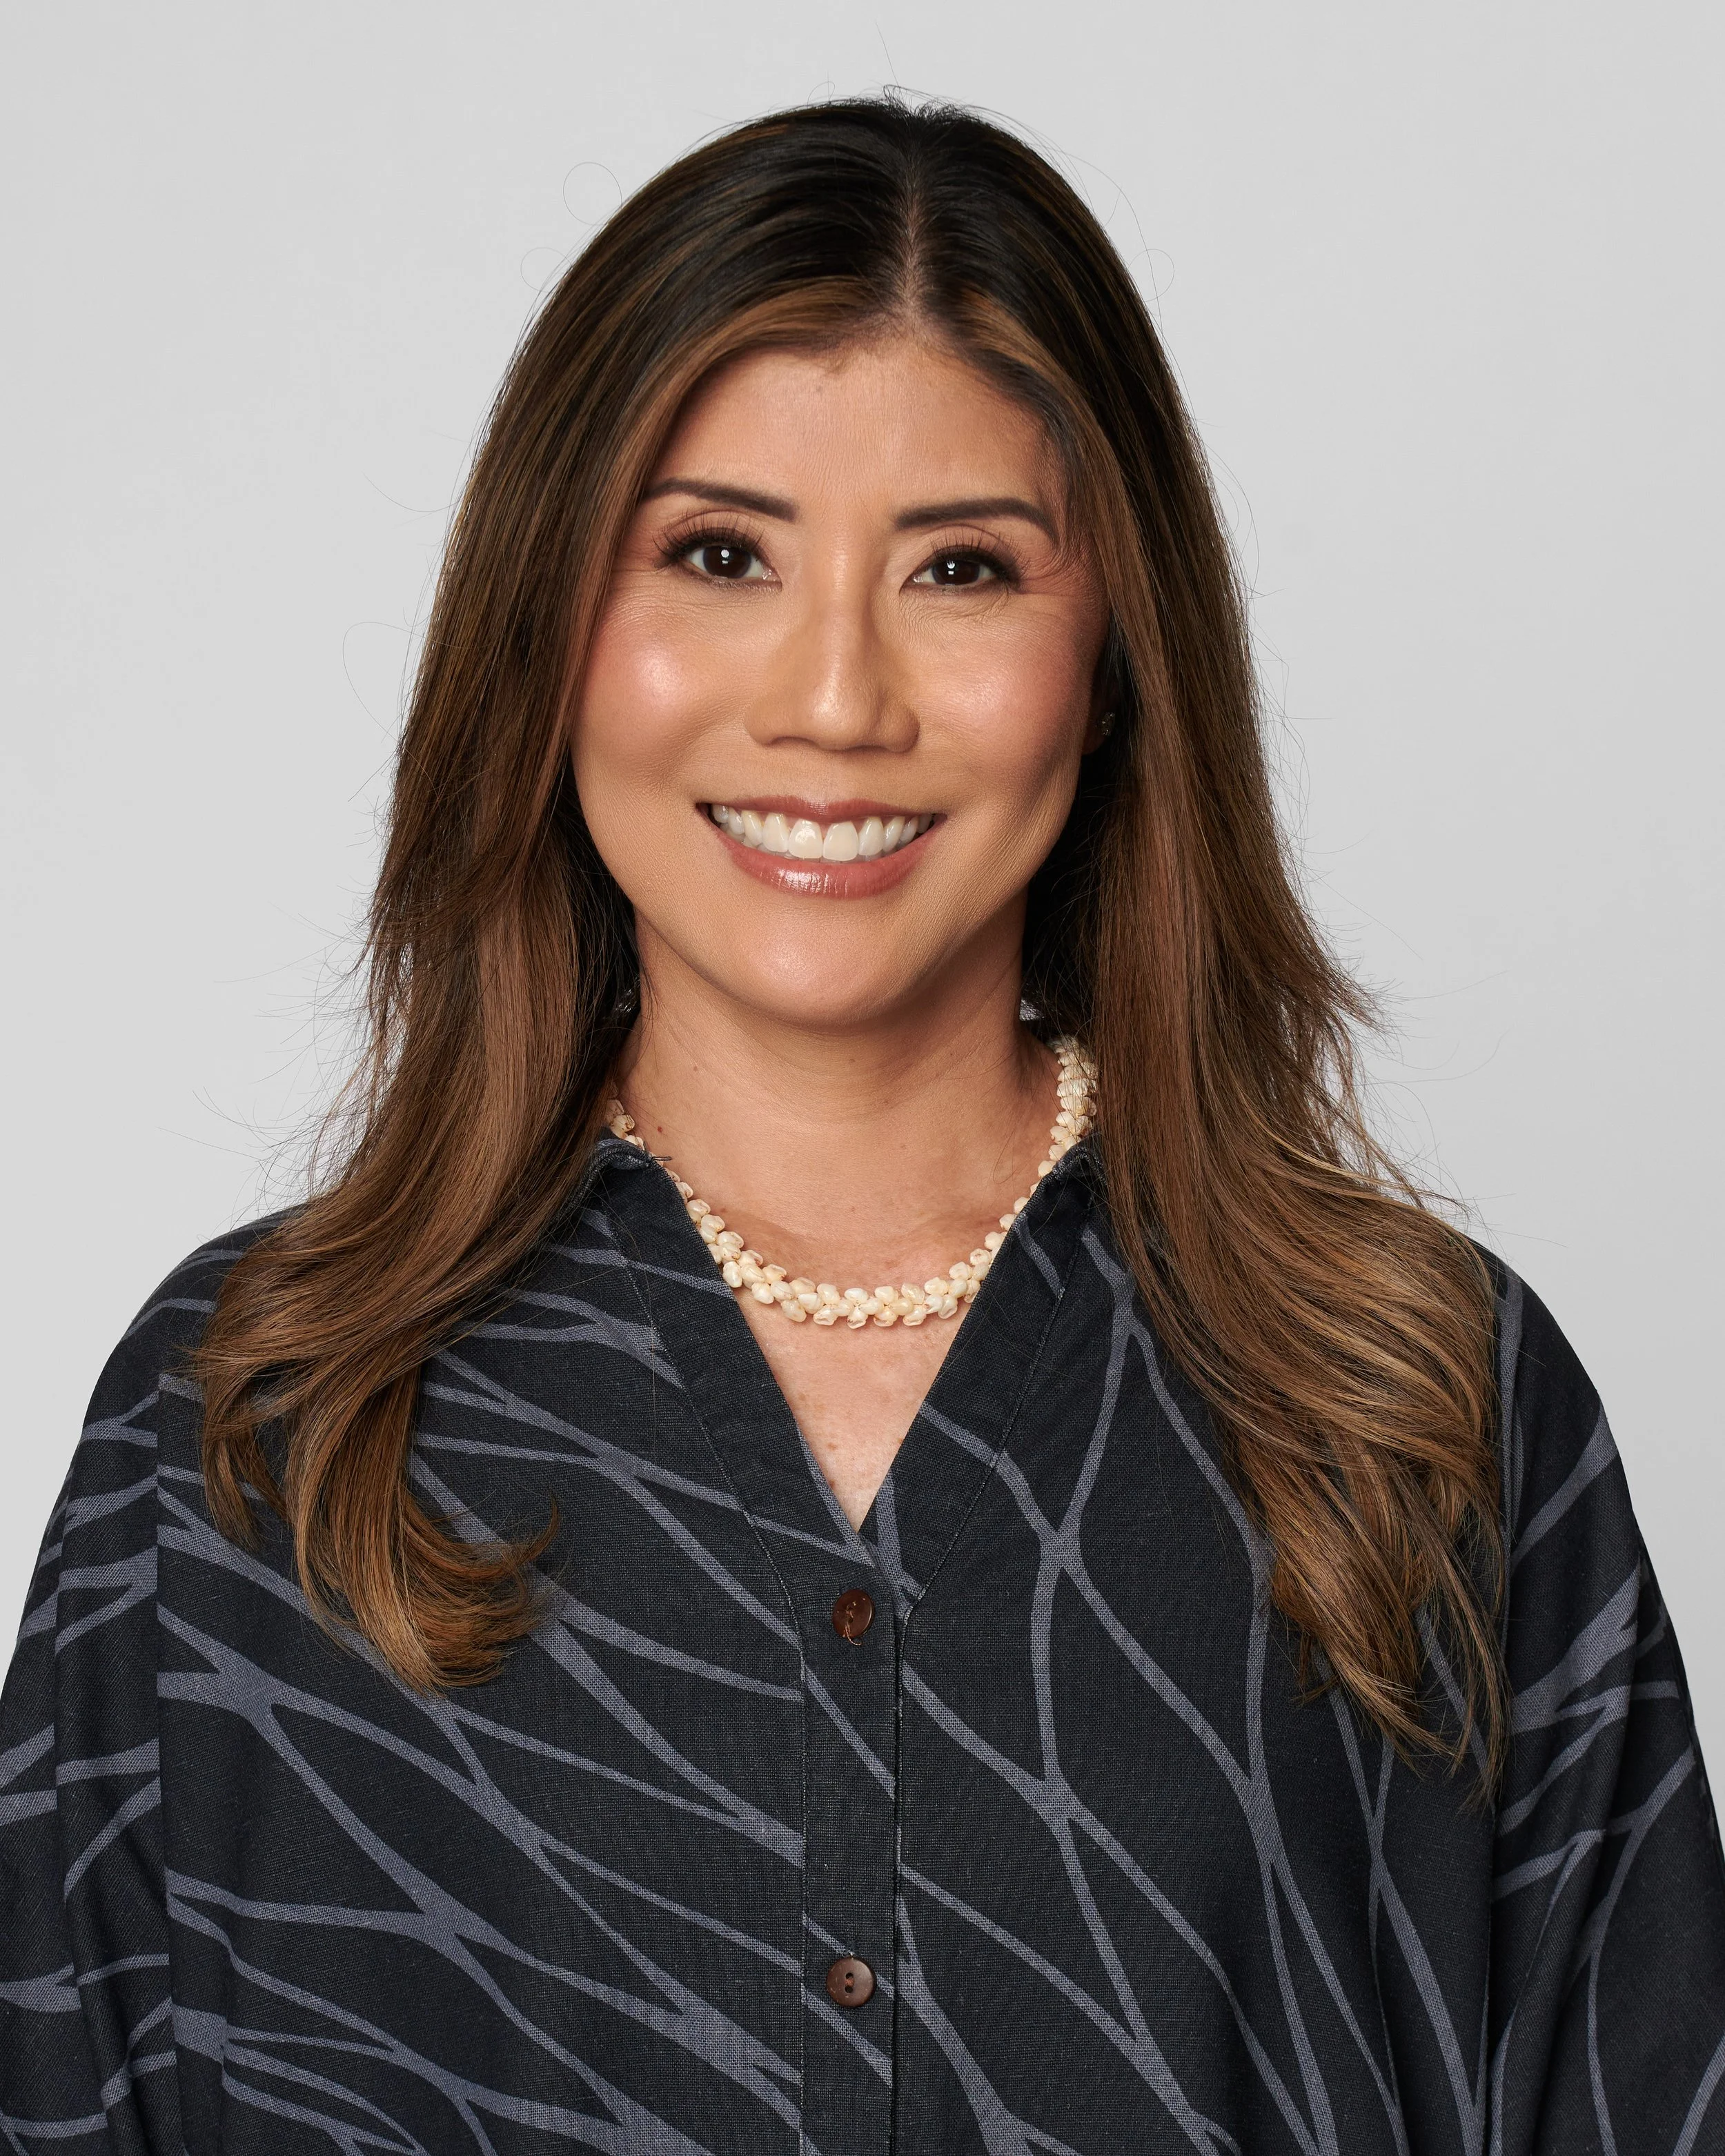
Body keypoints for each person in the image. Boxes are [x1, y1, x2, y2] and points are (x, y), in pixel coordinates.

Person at [3, 96, 1721, 2156]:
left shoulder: (1416, 1406)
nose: (833, 697)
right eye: (717, 554)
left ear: (1108, 662)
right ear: (549, 622)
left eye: (963, 569)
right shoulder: (257, 1419)